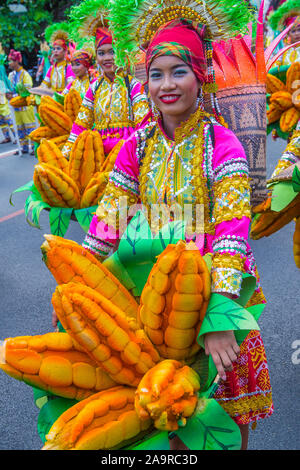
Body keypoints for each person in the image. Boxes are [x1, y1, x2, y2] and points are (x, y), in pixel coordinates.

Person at [80, 2, 274, 450]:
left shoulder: (221, 143)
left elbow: (231, 229)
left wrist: (221, 316)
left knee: (220, 422)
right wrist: (81, 280)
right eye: (156, 74)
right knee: (164, 415)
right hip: (155, 299)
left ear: (200, 75)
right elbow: (108, 221)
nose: (166, 85)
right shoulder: (137, 145)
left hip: (219, 291)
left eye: (178, 71)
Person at [62, 2, 150, 159]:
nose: (107, 58)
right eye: (101, 53)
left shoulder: (133, 86)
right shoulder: (94, 87)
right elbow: (81, 123)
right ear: (96, 56)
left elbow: (143, 125)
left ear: (122, 54)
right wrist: (67, 152)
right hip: (97, 155)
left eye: (112, 52)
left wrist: (129, 152)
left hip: (127, 154)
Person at [7, 49, 35, 154]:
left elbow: (28, 91)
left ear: (16, 61)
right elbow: (9, 89)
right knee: (19, 128)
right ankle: (24, 147)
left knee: (30, 127)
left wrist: (13, 95)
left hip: (26, 106)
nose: (9, 63)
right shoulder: (10, 75)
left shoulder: (25, 75)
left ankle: (33, 147)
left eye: (10, 61)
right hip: (16, 107)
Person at [41, 24, 75, 93]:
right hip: (52, 98)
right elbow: (44, 85)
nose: (55, 51)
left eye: (58, 48)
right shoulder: (51, 68)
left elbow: (71, 85)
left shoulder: (68, 67)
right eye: (54, 49)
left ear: (65, 51)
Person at [268, 0, 300, 66]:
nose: (297, 33)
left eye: (299, 30)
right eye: (293, 31)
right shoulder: (284, 50)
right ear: (288, 33)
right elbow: (276, 65)